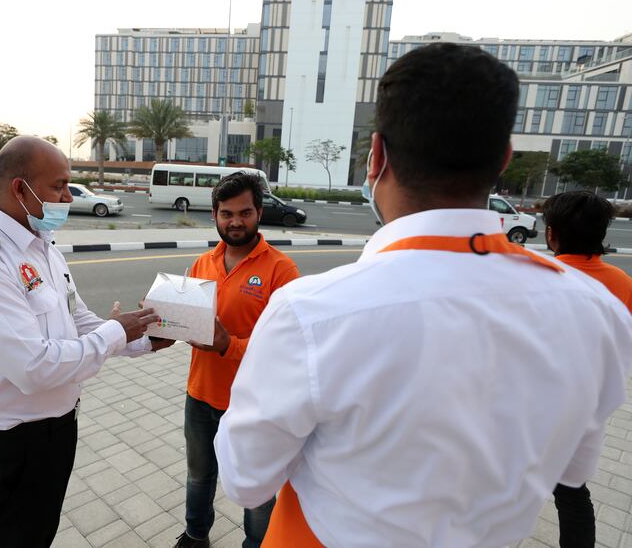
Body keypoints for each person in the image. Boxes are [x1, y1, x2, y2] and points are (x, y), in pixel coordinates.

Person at [214, 43, 632, 547]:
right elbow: (573, 470)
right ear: (503, 159)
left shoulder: (311, 313)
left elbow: (244, 480)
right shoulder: (599, 313)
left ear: (376, 156)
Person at [0, 136, 170, 547]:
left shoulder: (42, 248)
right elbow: (33, 367)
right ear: (19, 189)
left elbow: (78, 320)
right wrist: (118, 332)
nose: (67, 196)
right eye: (58, 186)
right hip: (15, 447)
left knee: (40, 533)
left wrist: (143, 339)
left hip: (57, 433)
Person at [174, 172, 299, 548]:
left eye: (244, 212)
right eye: (227, 213)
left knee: (257, 488)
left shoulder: (281, 270)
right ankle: (196, 536)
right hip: (200, 394)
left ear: (259, 212)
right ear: (214, 215)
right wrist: (159, 323)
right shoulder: (201, 264)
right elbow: (187, 323)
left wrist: (229, 345)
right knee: (199, 476)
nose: (236, 222)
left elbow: (286, 350)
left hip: (253, 403)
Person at [542, 190, 632, 548]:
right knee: (572, 494)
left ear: (551, 233)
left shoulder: (536, 279)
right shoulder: (624, 284)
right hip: (584, 410)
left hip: (526, 406)